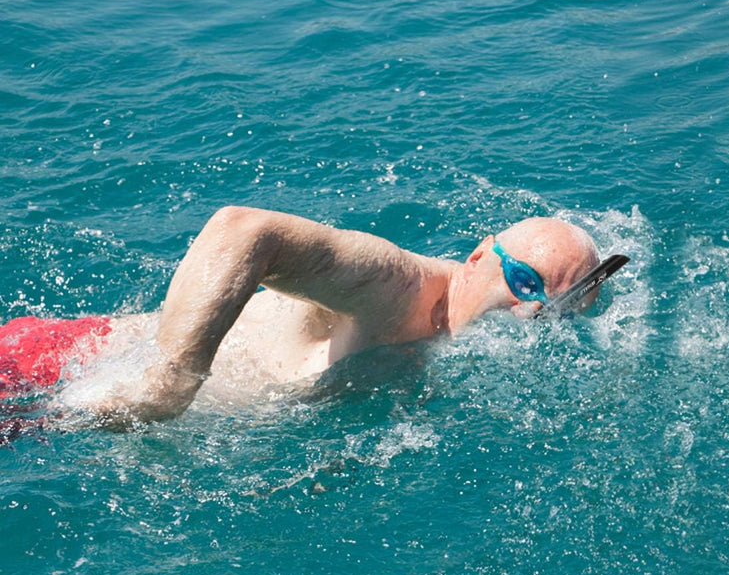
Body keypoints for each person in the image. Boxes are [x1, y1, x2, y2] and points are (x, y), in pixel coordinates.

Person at [0, 206, 600, 427]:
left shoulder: (452, 340)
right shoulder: (396, 285)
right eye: (525, 284)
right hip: (51, 367)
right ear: (477, 257)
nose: (531, 315)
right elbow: (244, 231)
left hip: (61, 415)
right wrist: (169, 383)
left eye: (558, 309)